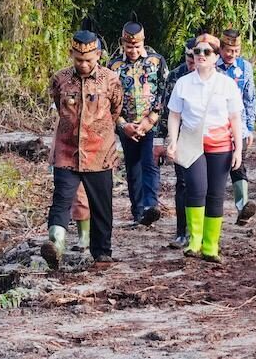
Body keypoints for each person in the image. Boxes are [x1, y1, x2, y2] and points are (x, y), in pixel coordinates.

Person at [42, 27, 124, 269]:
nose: (84, 65)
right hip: (67, 151)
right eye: (79, 60)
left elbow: (116, 110)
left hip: (100, 153)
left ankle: (102, 253)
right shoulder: (60, 79)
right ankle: (55, 245)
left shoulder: (111, 80)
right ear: (71, 54)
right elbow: (59, 107)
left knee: (101, 204)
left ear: (98, 55)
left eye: (88, 60)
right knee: (61, 200)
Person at [164, 34, 245, 264]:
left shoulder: (226, 84)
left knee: (216, 194)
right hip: (192, 143)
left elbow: (235, 118)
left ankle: (211, 246)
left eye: (206, 52)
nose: (200, 56)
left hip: (220, 144)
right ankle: (194, 241)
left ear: (216, 57)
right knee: (195, 189)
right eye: (196, 52)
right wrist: (173, 141)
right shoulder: (183, 83)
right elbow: (174, 115)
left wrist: (238, 149)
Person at [107, 18, 168, 228]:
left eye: (136, 46)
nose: (133, 50)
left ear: (143, 43)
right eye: (129, 46)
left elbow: (163, 90)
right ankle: (138, 212)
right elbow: (110, 99)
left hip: (150, 122)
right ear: (122, 43)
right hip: (126, 125)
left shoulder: (156, 61)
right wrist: (123, 124)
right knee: (133, 168)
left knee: (149, 163)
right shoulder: (113, 66)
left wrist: (151, 119)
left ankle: (151, 206)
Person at [216, 29, 256, 225]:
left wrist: (250, 127)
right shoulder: (212, 66)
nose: (232, 55)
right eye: (228, 50)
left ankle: (243, 207)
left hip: (238, 124)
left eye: (236, 50)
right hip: (216, 124)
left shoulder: (245, 67)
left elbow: (250, 98)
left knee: (238, 165)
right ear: (221, 49)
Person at [159, 38, 197, 249]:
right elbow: (166, 111)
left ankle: (198, 231)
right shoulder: (175, 76)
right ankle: (182, 231)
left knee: (202, 186)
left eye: (196, 58)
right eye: (188, 58)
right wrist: (160, 142)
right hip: (181, 138)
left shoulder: (214, 77)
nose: (192, 62)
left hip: (206, 139)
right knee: (183, 184)